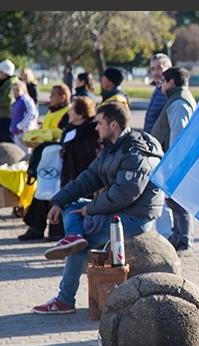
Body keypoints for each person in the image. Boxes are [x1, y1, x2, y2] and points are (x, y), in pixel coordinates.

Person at [31, 101, 164, 315]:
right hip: (119, 209)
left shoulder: (135, 152)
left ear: (113, 125)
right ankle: (73, 236)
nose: (96, 128)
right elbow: (89, 178)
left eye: (99, 123)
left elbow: (125, 194)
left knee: (82, 242)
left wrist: (91, 208)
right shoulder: (112, 148)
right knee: (71, 205)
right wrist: (58, 201)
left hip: (136, 215)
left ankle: (65, 300)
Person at [150, 66, 197, 255]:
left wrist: (173, 161)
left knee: (178, 200)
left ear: (171, 82)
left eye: (162, 82)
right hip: (171, 158)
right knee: (173, 200)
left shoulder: (179, 102)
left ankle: (183, 240)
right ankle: (178, 237)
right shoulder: (177, 99)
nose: (160, 86)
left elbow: (179, 134)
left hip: (175, 160)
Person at [18, 83, 73, 242]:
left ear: (63, 97)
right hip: (47, 156)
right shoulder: (54, 111)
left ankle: (56, 230)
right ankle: (36, 227)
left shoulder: (67, 113)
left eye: (53, 96)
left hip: (58, 157)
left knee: (54, 192)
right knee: (42, 190)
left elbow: (62, 134)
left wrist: (44, 136)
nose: (49, 98)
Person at [143, 53, 174, 238]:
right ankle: (164, 233)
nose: (156, 72)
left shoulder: (167, 92)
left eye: (160, 68)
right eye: (153, 68)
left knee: (164, 194)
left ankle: (168, 234)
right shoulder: (158, 89)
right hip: (153, 145)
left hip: (163, 148)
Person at [9, 80, 39, 154]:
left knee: (25, 153)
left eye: (17, 90)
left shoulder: (25, 99)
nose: (15, 92)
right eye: (13, 90)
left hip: (24, 132)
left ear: (23, 89)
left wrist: (21, 125)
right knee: (19, 153)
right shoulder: (16, 101)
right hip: (17, 132)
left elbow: (32, 113)